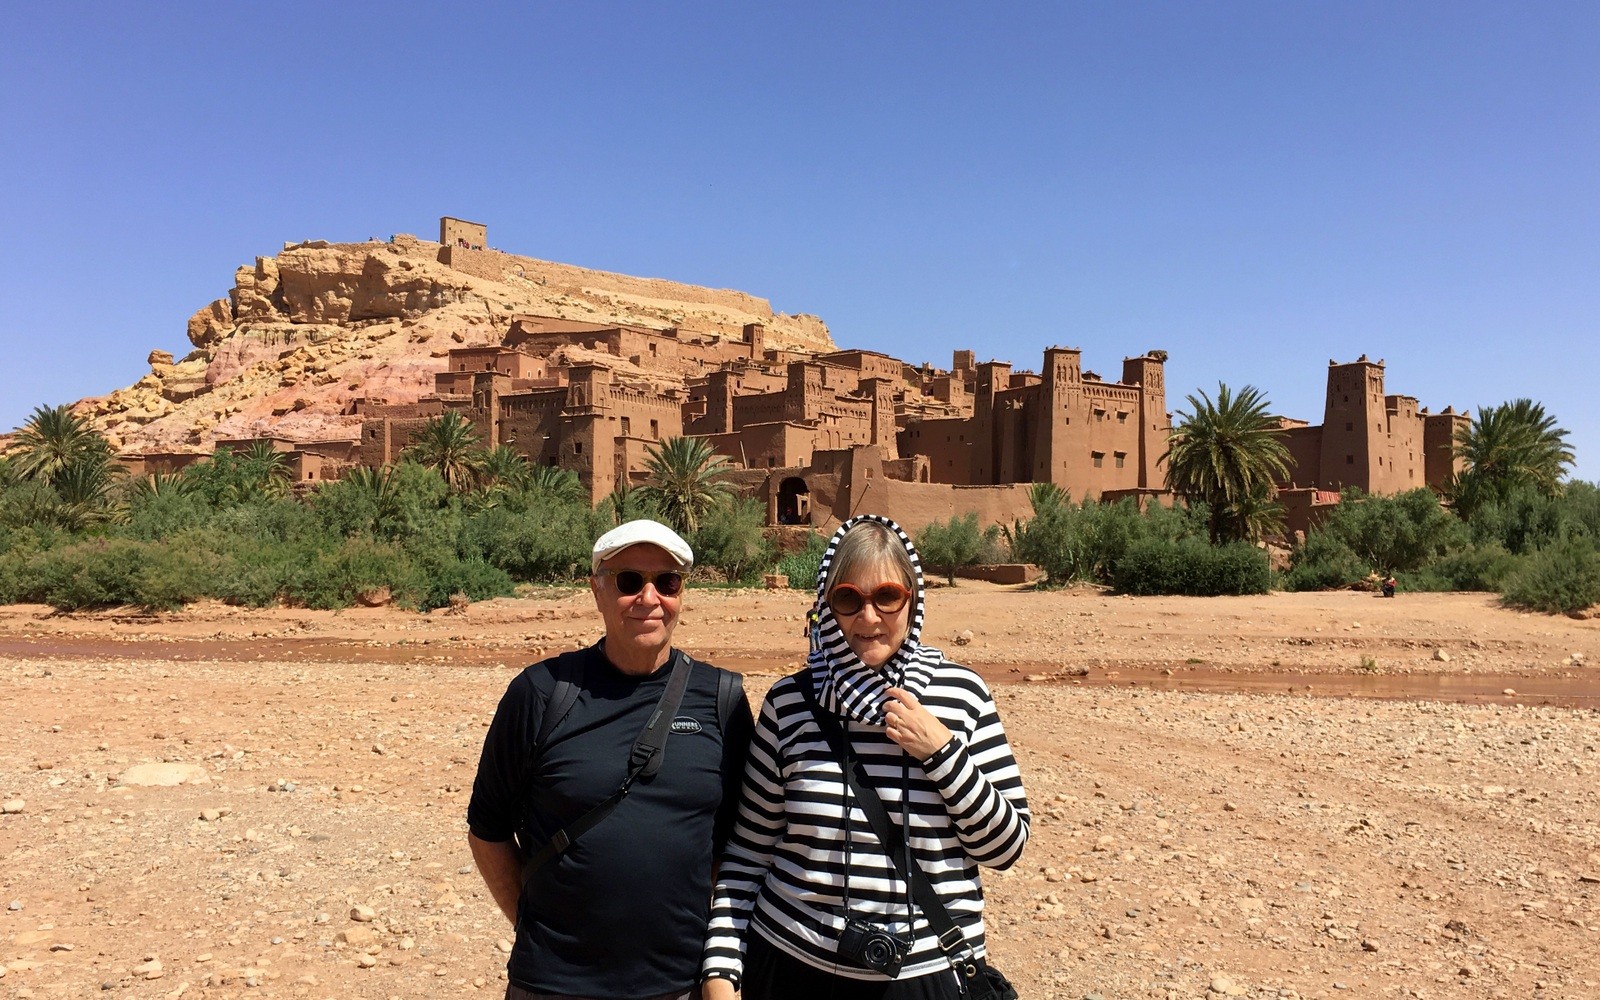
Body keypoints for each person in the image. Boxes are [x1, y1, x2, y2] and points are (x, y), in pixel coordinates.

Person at [702, 515, 1031, 1000]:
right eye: (848, 599)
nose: (869, 617)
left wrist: (941, 752)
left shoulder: (962, 697)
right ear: (826, 605)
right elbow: (749, 853)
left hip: (926, 976)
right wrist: (721, 972)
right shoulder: (792, 703)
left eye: (887, 597)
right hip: (792, 965)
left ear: (913, 600)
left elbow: (1005, 848)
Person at [467, 519, 754, 1000]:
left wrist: (718, 971)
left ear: (681, 594)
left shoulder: (721, 698)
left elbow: (737, 848)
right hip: (553, 985)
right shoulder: (542, 692)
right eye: (628, 581)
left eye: (666, 582)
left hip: (678, 984)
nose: (648, 598)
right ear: (597, 590)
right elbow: (488, 830)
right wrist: (534, 926)